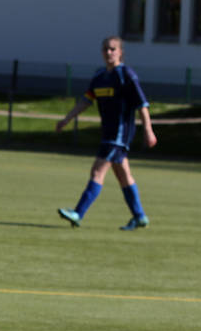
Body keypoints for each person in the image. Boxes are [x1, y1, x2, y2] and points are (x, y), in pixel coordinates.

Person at [55, 36, 157, 230]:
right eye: (105, 49)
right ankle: (139, 216)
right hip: (109, 134)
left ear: (120, 52)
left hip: (119, 134)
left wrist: (148, 131)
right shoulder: (100, 77)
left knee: (97, 171)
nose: (108, 53)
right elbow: (85, 101)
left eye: (112, 49)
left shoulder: (126, 75)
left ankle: (78, 212)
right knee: (123, 175)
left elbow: (142, 105)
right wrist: (66, 119)